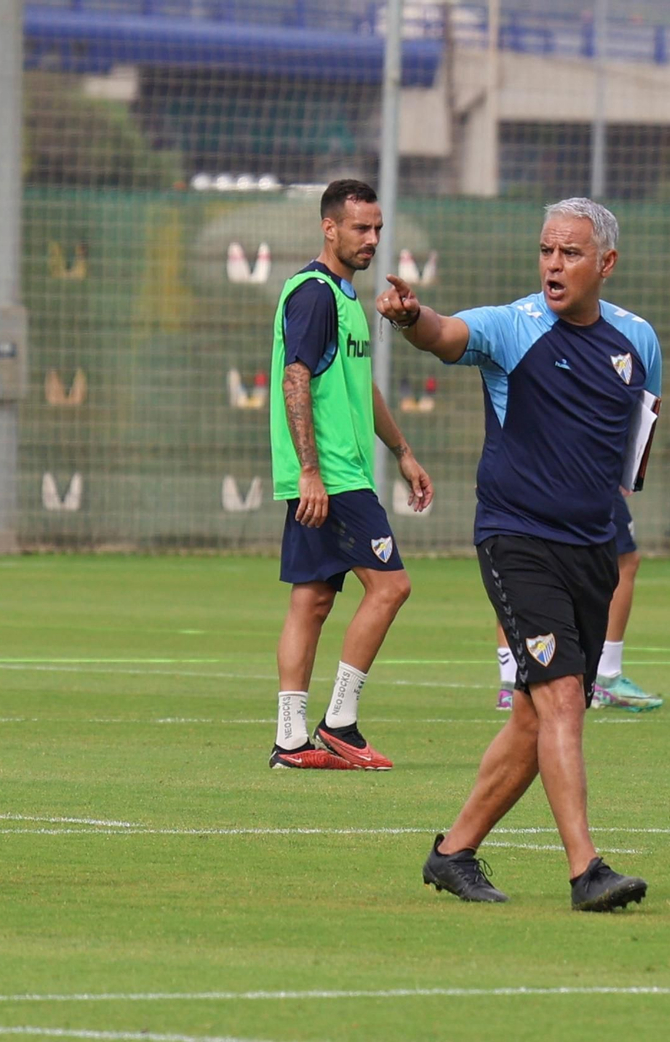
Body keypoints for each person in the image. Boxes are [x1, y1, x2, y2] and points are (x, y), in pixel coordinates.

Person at [378, 197, 658, 911]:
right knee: (562, 698)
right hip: (518, 538)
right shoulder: (513, 327)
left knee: (537, 718)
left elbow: (637, 453)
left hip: (593, 548)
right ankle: (586, 870)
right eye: (546, 251)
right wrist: (415, 319)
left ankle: (453, 853)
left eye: (569, 253)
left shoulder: (638, 342)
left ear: (606, 264)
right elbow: (446, 335)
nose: (554, 264)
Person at [268, 179, 433, 771]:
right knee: (391, 586)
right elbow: (295, 379)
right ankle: (339, 723)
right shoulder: (313, 294)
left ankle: (290, 740)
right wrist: (311, 471)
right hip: (333, 477)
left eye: (378, 228)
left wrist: (402, 451)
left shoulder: (343, 298)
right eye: (361, 228)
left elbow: (361, 387)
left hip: (336, 473)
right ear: (329, 228)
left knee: (311, 599)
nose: (372, 239)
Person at [491, 491, 661, 713]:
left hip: (520, 480)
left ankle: (510, 686)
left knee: (518, 563)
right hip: (577, 478)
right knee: (623, 560)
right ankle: (606, 676)